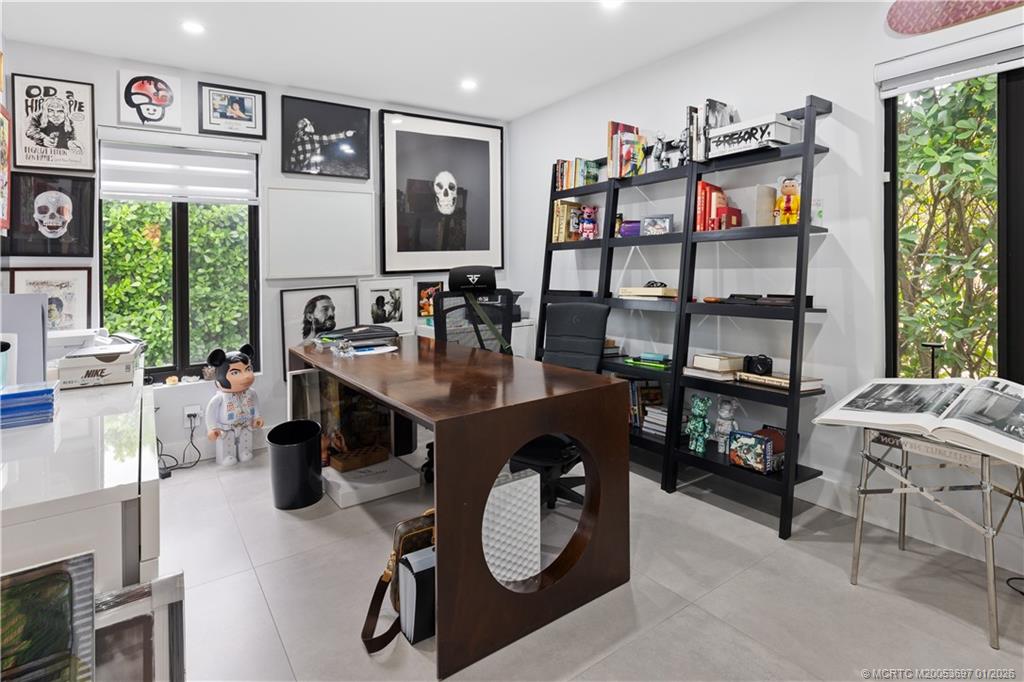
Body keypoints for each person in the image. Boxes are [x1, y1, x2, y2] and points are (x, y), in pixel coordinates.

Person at [205, 345, 263, 466]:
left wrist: (257, 417)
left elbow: (256, 402)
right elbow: (210, 411)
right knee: (227, 440)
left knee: (246, 438)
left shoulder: (251, 393)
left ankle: (245, 452)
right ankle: (227, 456)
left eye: (248, 369)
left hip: (246, 424)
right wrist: (212, 428)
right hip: (226, 427)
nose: (247, 375)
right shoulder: (220, 397)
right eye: (236, 372)